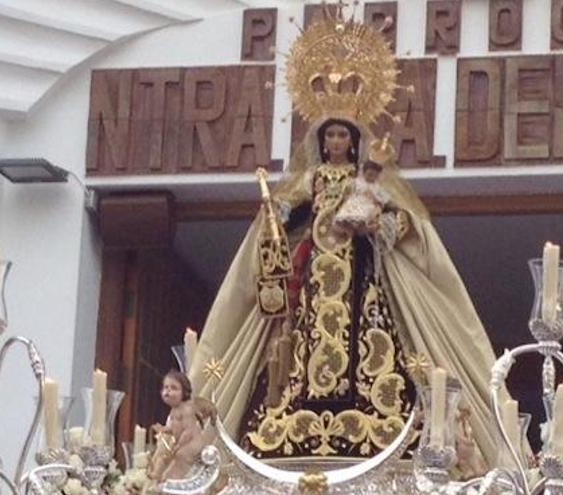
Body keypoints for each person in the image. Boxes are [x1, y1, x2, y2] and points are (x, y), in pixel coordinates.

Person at [188, 13, 499, 466]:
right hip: (315, 268)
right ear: (322, 139)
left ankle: (363, 393)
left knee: (363, 324)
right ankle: (305, 393)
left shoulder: (367, 179)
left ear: (353, 141)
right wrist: (273, 212)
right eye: (330, 134)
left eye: (342, 135)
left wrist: (376, 225)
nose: (336, 141)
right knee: (310, 329)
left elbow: (404, 221)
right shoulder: (313, 176)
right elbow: (283, 207)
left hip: (358, 272)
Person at [334, 159, 389, 235]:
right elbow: (350, 190)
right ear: (363, 172)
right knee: (349, 213)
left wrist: (374, 198)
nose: (371, 178)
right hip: (356, 201)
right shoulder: (358, 182)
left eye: (374, 176)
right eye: (369, 174)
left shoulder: (377, 187)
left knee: (366, 218)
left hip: (368, 204)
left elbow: (381, 200)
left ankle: (361, 229)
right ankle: (347, 226)